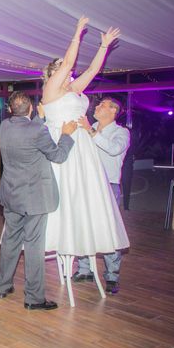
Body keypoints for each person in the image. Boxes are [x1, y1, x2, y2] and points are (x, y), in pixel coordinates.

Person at [40, 16, 129, 266]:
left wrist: (103, 46)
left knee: (84, 199)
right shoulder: (51, 91)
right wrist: (77, 33)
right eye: (61, 67)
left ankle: (84, 255)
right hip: (63, 143)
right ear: (53, 73)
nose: (67, 70)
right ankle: (62, 243)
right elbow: (69, 62)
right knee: (65, 194)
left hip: (83, 147)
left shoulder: (73, 89)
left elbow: (92, 71)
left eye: (66, 69)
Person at [0, 92, 76, 310]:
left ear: (10, 110)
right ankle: (34, 298)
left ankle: (3, 286)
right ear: (31, 109)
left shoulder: (4, 126)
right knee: (33, 245)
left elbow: (28, 132)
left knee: (11, 240)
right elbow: (58, 155)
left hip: (11, 194)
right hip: (34, 198)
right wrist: (67, 136)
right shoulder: (37, 129)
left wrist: (37, 119)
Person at [75, 97, 130, 294]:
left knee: (109, 229)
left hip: (108, 186)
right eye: (98, 104)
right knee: (83, 225)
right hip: (86, 183)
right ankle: (84, 269)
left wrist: (90, 130)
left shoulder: (121, 132)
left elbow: (114, 149)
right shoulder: (89, 126)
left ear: (114, 110)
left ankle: (112, 276)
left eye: (102, 105)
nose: (97, 107)